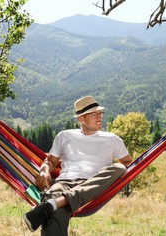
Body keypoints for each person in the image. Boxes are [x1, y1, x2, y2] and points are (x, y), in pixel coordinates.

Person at [23, 95, 133, 235]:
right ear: (81, 119)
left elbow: (129, 163)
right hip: (63, 183)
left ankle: (53, 204)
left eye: (100, 113)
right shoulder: (64, 136)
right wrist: (44, 171)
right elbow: (50, 162)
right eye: (94, 114)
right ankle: (54, 204)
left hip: (93, 185)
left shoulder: (112, 139)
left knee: (120, 168)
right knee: (55, 213)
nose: (99, 117)